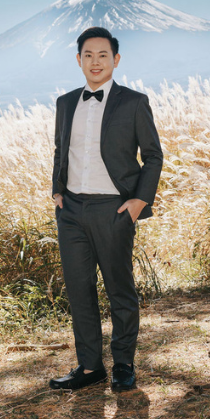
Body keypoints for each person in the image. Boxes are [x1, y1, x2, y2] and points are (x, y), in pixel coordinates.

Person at [48, 27, 162, 392]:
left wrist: (138, 202)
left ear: (115, 59)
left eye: (102, 55)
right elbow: (59, 150)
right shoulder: (65, 103)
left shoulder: (133, 102)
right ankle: (90, 367)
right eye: (88, 55)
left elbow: (153, 156)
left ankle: (124, 364)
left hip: (114, 209)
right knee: (79, 290)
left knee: (119, 290)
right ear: (78, 59)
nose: (95, 62)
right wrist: (57, 190)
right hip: (72, 212)